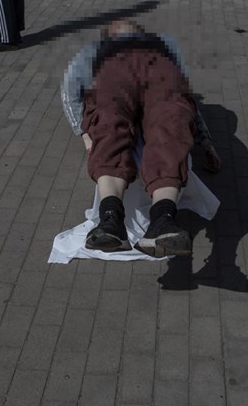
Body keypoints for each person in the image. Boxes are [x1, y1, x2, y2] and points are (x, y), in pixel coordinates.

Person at [61, 20, 221, 257]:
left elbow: (184, 103)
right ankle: (115, 218)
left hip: (144, 74)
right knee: (125, 121)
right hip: (121, 73)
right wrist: (84, 134)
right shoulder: (98, 51)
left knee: (156, 120)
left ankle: (156, 220)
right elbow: (70, 88)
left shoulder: (158, 46)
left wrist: (206, 141)